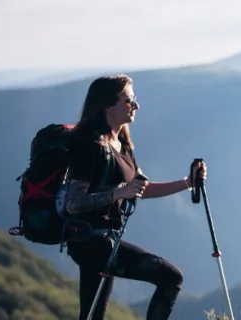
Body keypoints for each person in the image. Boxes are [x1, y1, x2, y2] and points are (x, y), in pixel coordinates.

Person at [62, 74, 207, 320]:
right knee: (171, 278)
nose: (136, 105)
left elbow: (141, 188)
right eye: (129, 100)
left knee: (92, 315)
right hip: (90, 241)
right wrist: (119, 193)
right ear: (108, 104)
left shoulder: (122, 144)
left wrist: (187, 183)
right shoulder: (91, 145)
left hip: (105, 240)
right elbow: (74, 203)